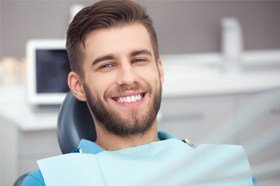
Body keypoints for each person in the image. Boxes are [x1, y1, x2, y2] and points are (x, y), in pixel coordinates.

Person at [22, 0, 254, 185]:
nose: (128, 78)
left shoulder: (225, 171)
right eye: (107, 65)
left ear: (159, 70)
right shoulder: (48, 181)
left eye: (139, 59)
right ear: (78, 86)